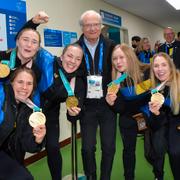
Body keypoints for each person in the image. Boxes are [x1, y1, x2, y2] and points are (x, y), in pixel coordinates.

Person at [77, 10, 117, 180]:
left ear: (101, 26)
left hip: (107, 104)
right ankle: (91, 176)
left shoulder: (111, 46)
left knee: (108, 147)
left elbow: (120, 69)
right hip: (87, 106)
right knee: (87, 148)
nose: (92, 28)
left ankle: (105, 177)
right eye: (88, 25)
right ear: (82, 27)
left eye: (96, 24)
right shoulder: (75, 48)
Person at [105, 43, 151, 180]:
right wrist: (111, 102)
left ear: (130, 57)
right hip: (128, 118)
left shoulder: (147, 70)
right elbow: (120, 109)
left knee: (153, 151)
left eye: (121, 57)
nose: (118, 62)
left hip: (148, 115)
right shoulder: (115, 80)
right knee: (128, 151)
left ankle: (158, 175)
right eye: (114, 59)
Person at [0, 66, 46, 180]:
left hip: (11, 158)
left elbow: (28, 146)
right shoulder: (2, 98)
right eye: (20, 82)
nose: (24, 87)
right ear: (11, 83)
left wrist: (38, 139)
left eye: (29, 83)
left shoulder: (29, 109)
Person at [144, 52, 180, 180]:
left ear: (170, 66)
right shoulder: (155, 90)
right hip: (166, 131)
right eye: (156, 66)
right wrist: (156, 113)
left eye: (164, 65)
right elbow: (154, 124)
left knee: (175, 153)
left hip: (176, 129)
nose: (160, 69)